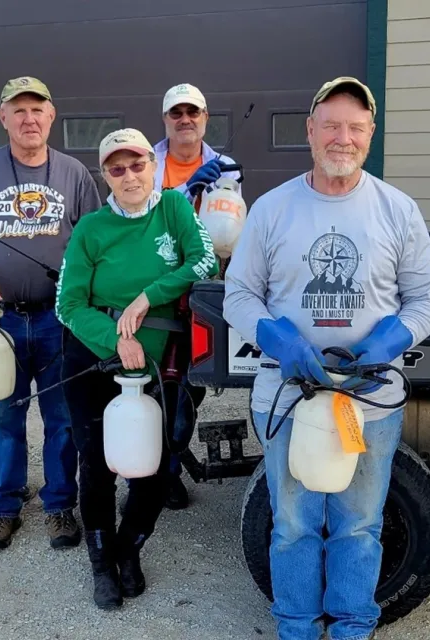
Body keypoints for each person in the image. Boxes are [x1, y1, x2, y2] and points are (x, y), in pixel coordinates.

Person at [223, 77, 430, 640]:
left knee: (360, 525)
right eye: (331, 125)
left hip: (369, 402)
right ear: (310, 131)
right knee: (293, 524)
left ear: (370, 134)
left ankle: (352, 625)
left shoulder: (396, 210)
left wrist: (389, 342)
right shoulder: (273, 210)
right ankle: (296, 626)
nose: (341, 138)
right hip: (288, 401)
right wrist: (281, 340)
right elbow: (239, 295)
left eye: (355, 127)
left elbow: (428, 297)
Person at [54, 128, 218, 609]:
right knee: (98, 465)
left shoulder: (174, 209)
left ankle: (131, 549)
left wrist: (151, 295)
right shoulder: (90, 229)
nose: (129, 175)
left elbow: (205, 260)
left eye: (137, 164)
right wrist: (116, 339)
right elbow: (68, 305)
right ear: (105, 174)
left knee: (153, 464)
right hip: (92, 357)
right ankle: (102, 560)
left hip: (161, 365)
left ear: (153, 163)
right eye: (116, 168)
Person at [0, 76, 102, 551]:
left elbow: (93, 239)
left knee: (62, 419)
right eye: (19, 110)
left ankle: (59, 507)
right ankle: (2, 508)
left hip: (59, 320)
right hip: (1, 322)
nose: (29, 119)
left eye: (38, 110)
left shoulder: (74, 172)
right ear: (3, 118)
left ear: (52, 116)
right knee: (5, 416)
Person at [150, 82, 241, 509]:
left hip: (200, 295)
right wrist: (186, 193)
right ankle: (144, 474)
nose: (185, 120)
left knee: (189, 388)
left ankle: (169, 468)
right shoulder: (145, 163)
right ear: (166, 119)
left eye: (194, 112)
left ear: (205, 118)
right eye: (176, 113)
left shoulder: (227, 167)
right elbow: (145, 222)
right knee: (150, 386)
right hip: (154, 291)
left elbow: (230, 231)